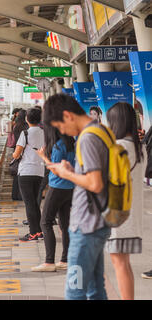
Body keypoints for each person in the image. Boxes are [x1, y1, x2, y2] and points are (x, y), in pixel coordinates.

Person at [43, 93, 111, 300]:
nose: (62, 131)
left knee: (75, 292)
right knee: (95, 289)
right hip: (99, 220)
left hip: (86, 225)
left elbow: (95, 183)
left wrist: (66, 174)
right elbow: (95, 174)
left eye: (60, 126)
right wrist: (72, 170)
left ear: (67, 115)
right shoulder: (101, 131)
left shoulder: (87, 137)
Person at [105, 102, 144, 299]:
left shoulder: (119, 147)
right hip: (131, 214)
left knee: (119, 264)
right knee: (124, 263)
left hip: (118, 216)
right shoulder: (138, 148)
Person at [31, 126, 75, 272]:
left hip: (57, 187)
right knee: (64, 223)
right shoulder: (71, 143)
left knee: (45, 221)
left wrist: (43, 156)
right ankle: (65, 260)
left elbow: (55, 168)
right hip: (70, 187)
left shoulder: (58, 146)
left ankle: (49, 261)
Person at [12, 108, 45, 241]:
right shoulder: (44, 133)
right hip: (39, 171)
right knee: (35, 202)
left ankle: (33, 233)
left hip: (26, 172)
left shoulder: (25, 134)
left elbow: (16, 154)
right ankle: (39, 231)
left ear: (27, 119)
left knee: (29, 203)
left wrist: (15, 155)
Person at [11, 109, 29, 201]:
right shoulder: (26, 127)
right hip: (24, 150)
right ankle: (21, 195)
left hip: (17, 150)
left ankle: (15, 195)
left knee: (17, 174)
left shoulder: (16, 126)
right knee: (22, 175)